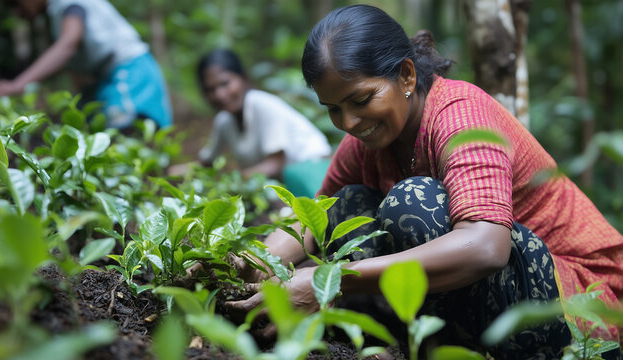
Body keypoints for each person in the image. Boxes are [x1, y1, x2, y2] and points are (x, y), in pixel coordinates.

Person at [227, 4, 623, 359]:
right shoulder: (365, 140)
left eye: (362, 101)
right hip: (496, 300)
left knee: (413, 203)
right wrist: (246, 264)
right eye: (334, 109)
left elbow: (486, 247)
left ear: (406, 75)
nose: (349, 123)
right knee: (346, 206)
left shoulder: (460, 115)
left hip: (582, 303)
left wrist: (328, 281)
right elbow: (313, 218)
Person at [0, 0, 172, 130]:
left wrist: (17, 85)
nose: (19, 11)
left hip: (129, 73)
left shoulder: (67, 4)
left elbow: (68, 44)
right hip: (106, 80)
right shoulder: (54, 14)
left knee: (130, 135)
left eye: (17, 3)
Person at [195, 49, 332, 198]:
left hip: (313, 173)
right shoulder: (224, 121)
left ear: (243, 78)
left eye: (225, 83)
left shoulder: (261, 104)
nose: (219, 94)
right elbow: (206, 162)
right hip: (284, 186)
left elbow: (275, 164)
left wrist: (231, 181)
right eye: (210, 89)